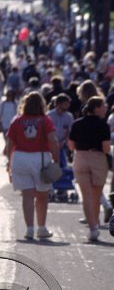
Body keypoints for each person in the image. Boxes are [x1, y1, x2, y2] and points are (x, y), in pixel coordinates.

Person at [6, 91, 59, 240]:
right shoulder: (45, 120)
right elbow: (52, 140)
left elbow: (10, 143)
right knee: (42, 196)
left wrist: (9, 163)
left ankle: (29, 229)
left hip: (20, 157)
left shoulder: (17, 120)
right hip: (40, 158)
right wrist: (56, 160)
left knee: (27, 195)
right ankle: (41, 228)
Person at [68, 96, 110, 241]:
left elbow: (71, 145)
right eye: (103, 106)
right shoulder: (103, 125)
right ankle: (95, 223)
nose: (106, 108)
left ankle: (93, 228)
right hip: (97, 158)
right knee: (96, 195)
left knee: (86, 195)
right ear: (96, 108)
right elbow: (105, 148)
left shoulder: (77, 123)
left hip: (80, 157)